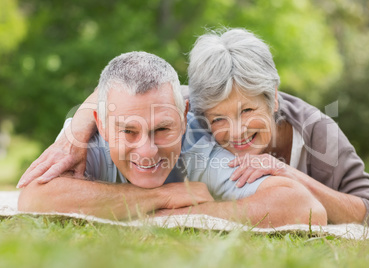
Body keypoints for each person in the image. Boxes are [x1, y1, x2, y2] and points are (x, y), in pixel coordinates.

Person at [18, 51, 327, 228]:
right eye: (129, 132)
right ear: (101, 124)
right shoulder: (87, 142)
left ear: (184, 118)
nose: (148, 150)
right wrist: (162, 198)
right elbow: (33, 198)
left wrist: (183, 215)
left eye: (163, 129)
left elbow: (304, 207)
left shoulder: (198, 146)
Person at [182, 28, 369, 232]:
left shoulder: (318, 133)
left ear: (273, 98)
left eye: (247, 110)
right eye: (219, 119)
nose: (237, 132)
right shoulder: (189, 119)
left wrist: (287, 173)